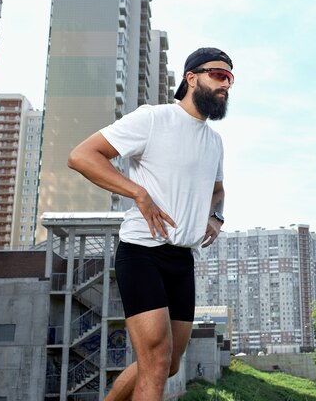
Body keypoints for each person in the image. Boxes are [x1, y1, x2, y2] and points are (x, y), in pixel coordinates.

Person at [67, 47, 234, 400]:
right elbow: (82, 156)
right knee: (156, 361)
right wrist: (139, 194)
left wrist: (215, 217)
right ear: (191, 77)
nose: (226, 85)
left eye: (230, 79)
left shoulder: (214, 142)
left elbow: (217, 191)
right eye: (218, 75)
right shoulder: (154, 119)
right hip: (142, 250)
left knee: (168, 363)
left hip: (181, 260)